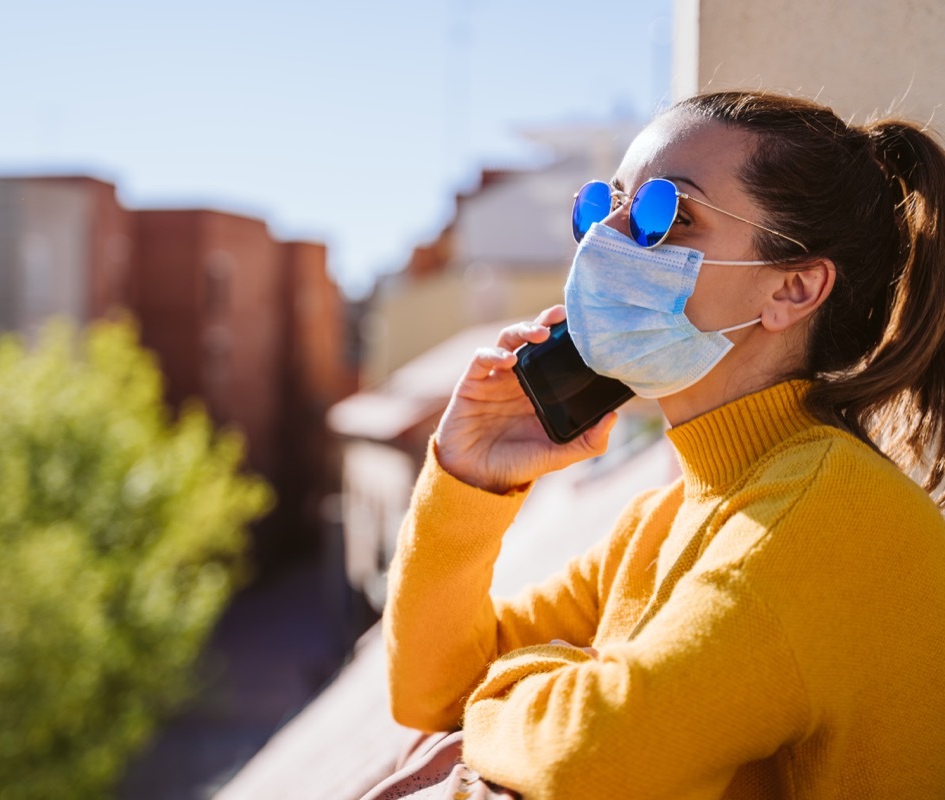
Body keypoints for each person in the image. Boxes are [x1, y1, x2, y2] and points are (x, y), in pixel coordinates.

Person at [381, 91, 945, 799]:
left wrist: (523, 691)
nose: (605, 238)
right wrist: (470, 481)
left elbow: (587, 758)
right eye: (602, 206)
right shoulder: (664, 518)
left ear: (794, 288)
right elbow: (428, 692)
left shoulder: (825, 514)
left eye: (665, 216)